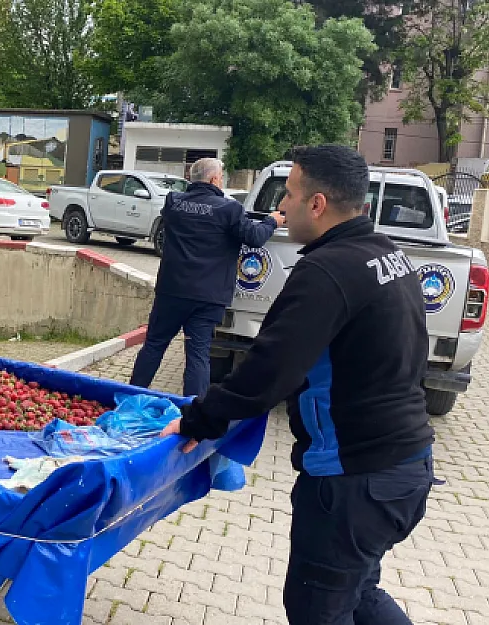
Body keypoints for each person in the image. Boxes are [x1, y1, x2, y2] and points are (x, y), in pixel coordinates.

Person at [161, 145, 435, 625]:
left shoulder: (326, 272)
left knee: (317, 610)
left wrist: (197, 420)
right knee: (360, 591)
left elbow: (268, 370)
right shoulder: (390, 257)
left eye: (289, 194)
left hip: (353, 482)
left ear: (318, 204)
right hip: (407, 468)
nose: (281, 206)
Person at [129, 158, 284, 398]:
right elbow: (255, 237)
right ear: (214, 179)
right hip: (208, 297)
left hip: (172, 292)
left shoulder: (174, 202)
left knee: (154, 345)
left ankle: (129, 398)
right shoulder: (228, 209)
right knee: (197, 354)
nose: (221, 181)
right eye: (221, 177)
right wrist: (272, 221)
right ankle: (193, 412)